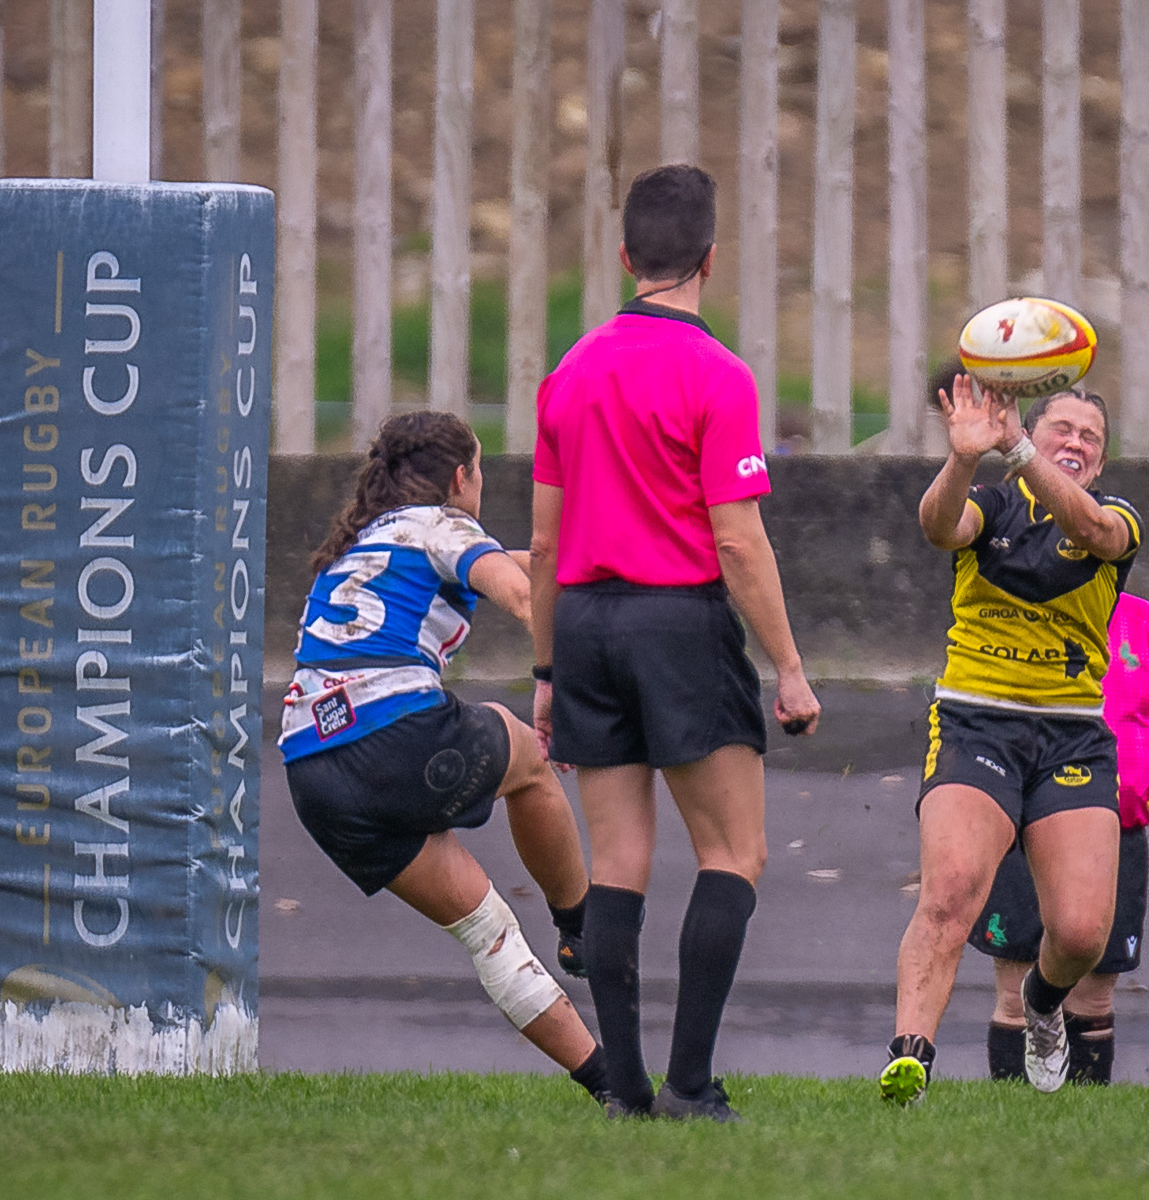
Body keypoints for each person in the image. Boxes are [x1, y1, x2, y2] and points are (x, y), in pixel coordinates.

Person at [529, 164, 822, 1123]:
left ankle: (624, 1089)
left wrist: (544, 670)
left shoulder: (568, 371)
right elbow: (737, 539)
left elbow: (539, 539)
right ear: (708, 258)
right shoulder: (718, 375)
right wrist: (787, 665)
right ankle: (691, 1084)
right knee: (733, 850)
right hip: (675, 621)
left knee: (616, 862)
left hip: (582, 620)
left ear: (625, 259)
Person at [279, 411, 610, 1105]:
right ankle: (581, 926)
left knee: (486, 930)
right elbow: (521, 593)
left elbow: (529, 570)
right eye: (481, 471)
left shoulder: (361, 544)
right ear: (461, 478)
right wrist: (562, 679)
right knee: (528, 757)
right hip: (392, 731)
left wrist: (586, 571)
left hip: (312, 772)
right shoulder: (444, 525)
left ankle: (611, 1088)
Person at [881, 379, 1141, 1105]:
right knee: (951, 892)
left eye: (1090, 436)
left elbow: (1092, 533)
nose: (1076, 443)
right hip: (976, 720)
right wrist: (963, 458)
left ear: (1103, 458)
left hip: (1071, 736)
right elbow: (939, 527)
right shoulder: (992, 504)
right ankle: (911, 1060)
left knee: (1084, 933)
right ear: (1033, 432)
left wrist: (1021, 450)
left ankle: (1041, 1003)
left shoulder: (1115, 515)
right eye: (1063, 428)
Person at [969, 591, 1149, 1084]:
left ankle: (1084, 1125)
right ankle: (1010, 1126)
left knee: (1094, 994)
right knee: (1016, 992)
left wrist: (1129, 773)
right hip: (1021, 827)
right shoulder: (1013, 614)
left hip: (1117, 831)